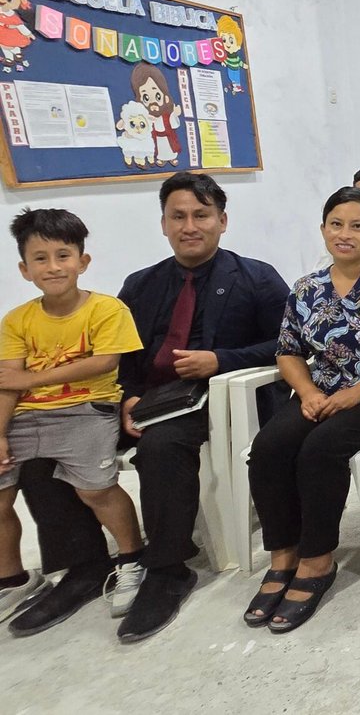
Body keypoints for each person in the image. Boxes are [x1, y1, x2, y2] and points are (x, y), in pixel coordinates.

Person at [13, 174, 288, 642]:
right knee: (41, 448)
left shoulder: (256, 278)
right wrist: (127, 396)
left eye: (201, 215)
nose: (189, 226)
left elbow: (287, 346)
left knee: (161, 446)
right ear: (163, 223)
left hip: (217, 398)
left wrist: (221, 359)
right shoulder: (141, 285)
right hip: (144, 399)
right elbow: (120, 353)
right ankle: (83, 566)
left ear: (222, 221)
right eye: (177, 216)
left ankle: (167, 568)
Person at [244, 188, 360, 633]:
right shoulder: (307, 288)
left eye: (357, 226)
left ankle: (317, 560)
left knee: (320, 451)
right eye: (336, 225)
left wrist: (359, 392)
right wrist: (306, 392)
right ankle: (283, 555)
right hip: (320, 391)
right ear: (324, 228)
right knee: (268, 448)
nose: (345, 234)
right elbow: (287, 352)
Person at [0, 210, 146, 633]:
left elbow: (103, 362)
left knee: (95, 489)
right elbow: (8, 382)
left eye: (63, 255)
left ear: (83, 261)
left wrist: (33, 378)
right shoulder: (17, 321)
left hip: (88, 410)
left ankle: (132, 558)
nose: (53, 267)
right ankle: (12, 578)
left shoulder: (106, 309)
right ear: (25, 270)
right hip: (27, 416)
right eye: (40, 259)